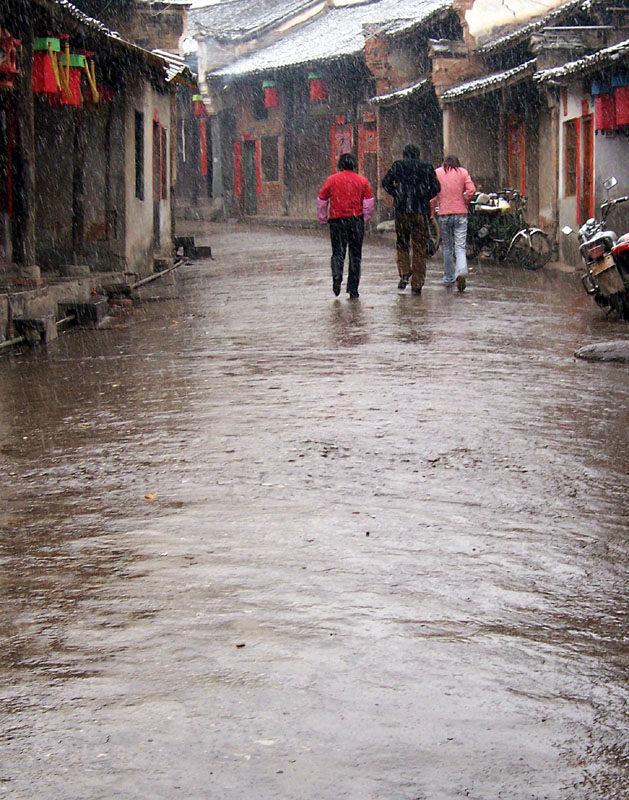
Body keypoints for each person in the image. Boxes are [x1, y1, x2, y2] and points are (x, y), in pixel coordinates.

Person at [381, 144, 441, 295]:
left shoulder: (398, 166)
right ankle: (417, 283)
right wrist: (424, 197)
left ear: (405, 155)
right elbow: (436, 187)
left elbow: (385, 183)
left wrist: (397, 194)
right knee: (419, 247)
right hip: (420, 212)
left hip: (402, 211)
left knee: (402, 243)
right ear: (418, 155)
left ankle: (404, 272)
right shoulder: (426, 167)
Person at [317, 153, 374, 299]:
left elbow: (322, 200)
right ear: (354, 165)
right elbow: (368, 203)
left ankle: (337, 275)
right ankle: (353, 288)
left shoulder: (331, 180)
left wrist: (323, 219)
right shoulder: (363, 181)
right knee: (355, 255)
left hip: (337, 221)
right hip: (356, 221)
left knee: (338, 252)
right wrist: (364, 219)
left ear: (340, 165)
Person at [432, 154, 476, 292]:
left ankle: (449, 277)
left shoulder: (437, 173)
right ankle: (461, 271)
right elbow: (471, 190)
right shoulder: (463, 172)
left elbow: (433, 195)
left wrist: (432, 211)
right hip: (460, 213)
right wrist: (465, 201)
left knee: (447, 247)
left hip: (444, 213)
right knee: (460, 246)